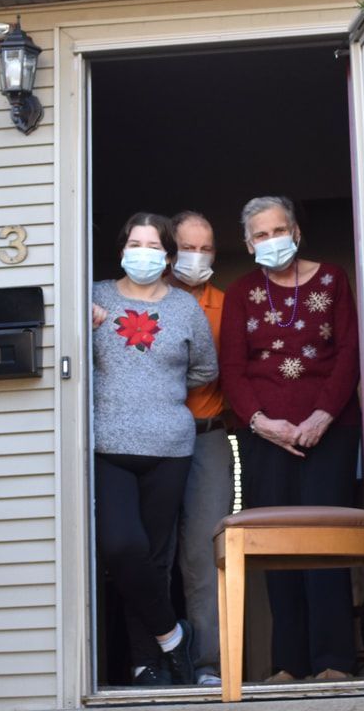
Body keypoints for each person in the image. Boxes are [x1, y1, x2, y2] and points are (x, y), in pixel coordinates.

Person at [219, 195, 361, 683]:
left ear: (296, 232)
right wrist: (261, 423)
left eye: (278, 231)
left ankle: (334, 660)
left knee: (326, 542)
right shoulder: (239, 293)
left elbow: (348, 354)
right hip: (263, 436)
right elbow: (232, 370)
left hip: (331, 429)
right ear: (247, 243)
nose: (271, 241)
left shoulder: (332, 280)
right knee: (277, 545)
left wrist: (321, 416)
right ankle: (288, 663)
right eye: (260, 235)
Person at [91, 211, 218, 686]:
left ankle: (146, 664)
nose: (143, 253)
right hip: (108, 445)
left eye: (153, 246)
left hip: (170, 447)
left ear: (167, 255)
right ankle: (172, 638)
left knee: (156, 560)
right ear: (123, 248)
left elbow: (205, 369)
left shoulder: (185, 308)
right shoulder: (94, 296)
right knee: (122, 547)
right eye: (135, 243)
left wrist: (155, 391)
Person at [168, 210, 231, 687]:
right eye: (187, 246)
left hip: (209, 436)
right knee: (152, 553)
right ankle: (151, 663)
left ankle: (208, 665)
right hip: (152, 441)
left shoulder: (227, 305)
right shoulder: (141, 300)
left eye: (205, 247)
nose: (197, 256)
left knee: (205, 554)